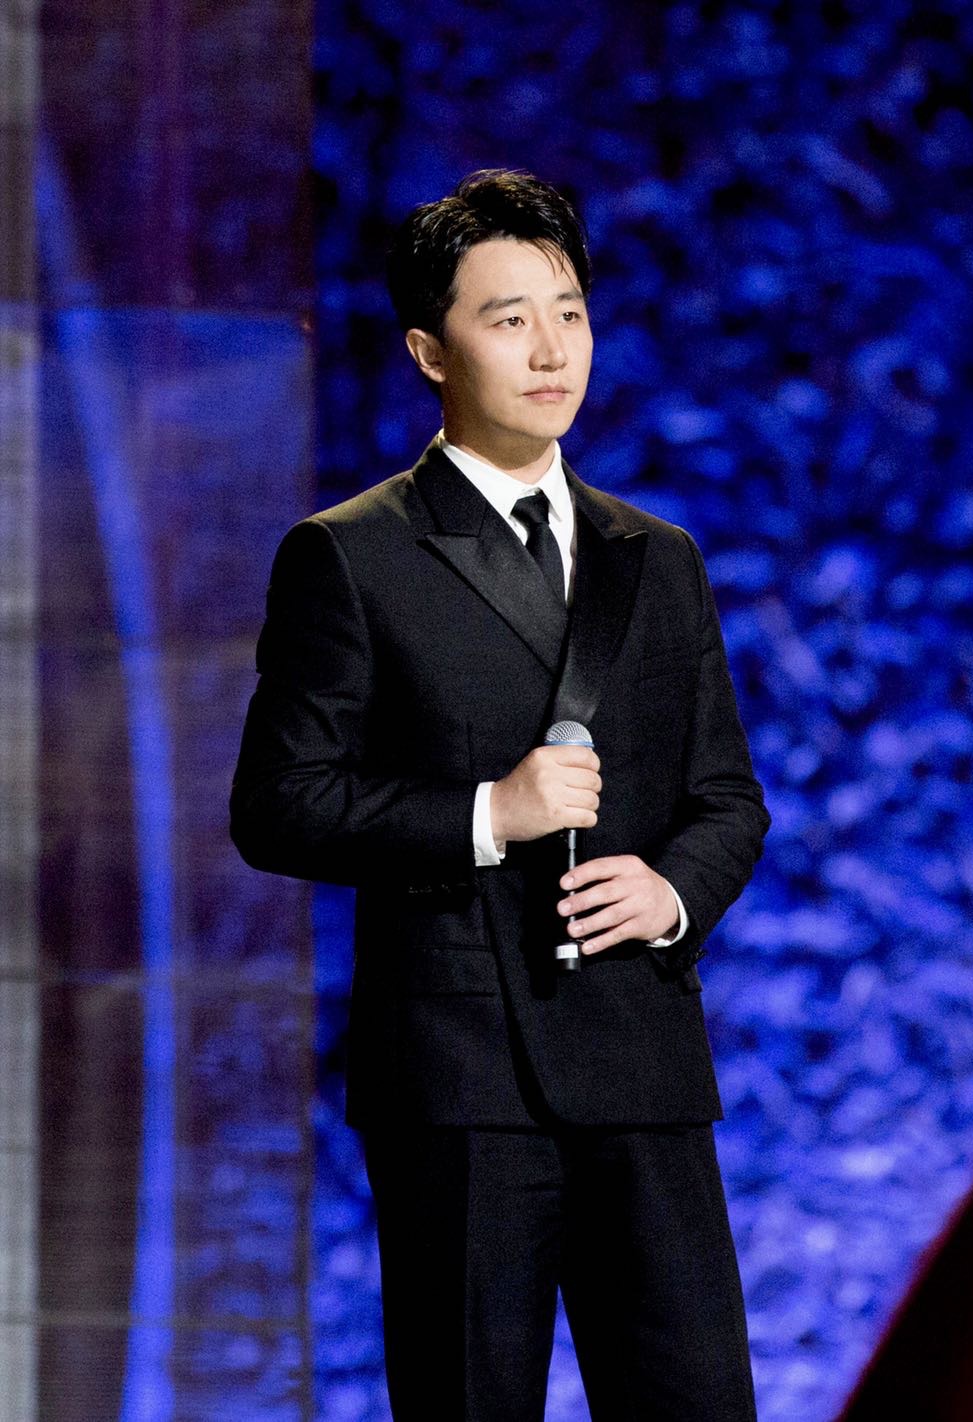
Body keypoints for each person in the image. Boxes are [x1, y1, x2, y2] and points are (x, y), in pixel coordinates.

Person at [231, 168, 769, 1421]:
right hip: (460, 1082)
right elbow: (280, 803)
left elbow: (730, 799)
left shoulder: (658, 558)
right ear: (430, 351)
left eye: (569, 314)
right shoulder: (351, 554)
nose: (551, 350)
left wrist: (672, 894)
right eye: (509, 318)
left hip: (644, 1066)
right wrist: (490, 815)